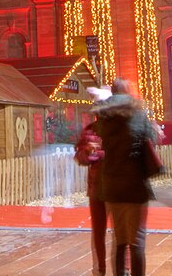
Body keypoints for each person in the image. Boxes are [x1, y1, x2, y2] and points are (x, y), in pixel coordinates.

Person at [93, 79, 159, 276]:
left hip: (112, 184)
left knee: (120, 239)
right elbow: (150, 139)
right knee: (137, 239)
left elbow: (99, 140)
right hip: (135, 183)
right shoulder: (138, 112)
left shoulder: (103, 115)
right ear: (128, 91)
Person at [76, 86, 112, 276]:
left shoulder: (119, 130)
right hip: (97, 186)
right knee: (98, 232)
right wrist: (87, 153)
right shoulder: (90, 130)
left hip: (116, 186)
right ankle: (98, 270)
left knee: (122, 232)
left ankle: (125, 269)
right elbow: (79, 156)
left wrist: (100, 152)